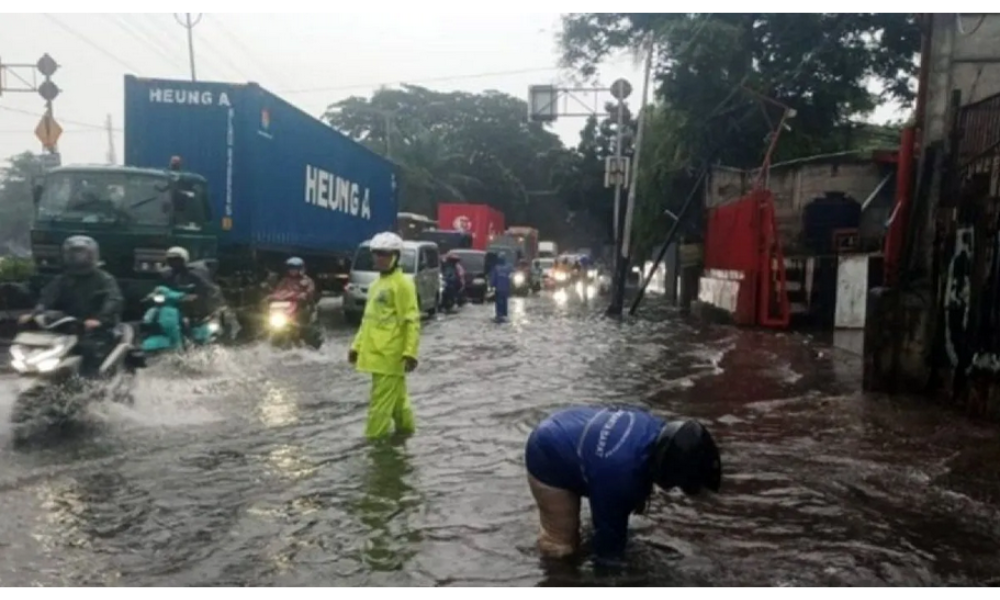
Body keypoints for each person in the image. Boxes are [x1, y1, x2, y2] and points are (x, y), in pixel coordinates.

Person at [524, 406, 721, 564]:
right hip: (547, 452)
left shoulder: (655, 427)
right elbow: (608, 542)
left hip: (570, 423)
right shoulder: (619, 476)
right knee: (561, 547)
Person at [348, 232, 420, 440]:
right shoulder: (375, 285)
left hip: (390, 356)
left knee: (379, 406)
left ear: (396, 256)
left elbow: (411, 320)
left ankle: (374, 444)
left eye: (385, 254)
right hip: (375, 354)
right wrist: (356, 346)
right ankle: (406, 434)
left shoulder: (403, 284)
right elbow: (368, 321)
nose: (379, 258)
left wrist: (410, 352)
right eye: (377, 254)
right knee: (398, 402)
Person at [19, 236, 124, 376]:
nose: (78, 257)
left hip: (98, 328)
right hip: (68, 325)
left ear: (92, 255)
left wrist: (100, 319)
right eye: (74, 253)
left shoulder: (104, 279)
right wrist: (34, 314)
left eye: (82, 253)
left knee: (88, 349)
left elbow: (114, 300)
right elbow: (47, 298)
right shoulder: (62, 279)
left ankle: (91, 382)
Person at [161, 246, 223, 322]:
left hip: (195, 307)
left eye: (176, 259)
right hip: (174, 304)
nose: (173, 262)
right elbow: (161, 287)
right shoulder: (166, 273)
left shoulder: (196, 272)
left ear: (184, 259)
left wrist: (197, 295)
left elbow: (207, 287)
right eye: (170, 259)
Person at [489, 252, 512, 322]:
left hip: (499, 289)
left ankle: (499, 315)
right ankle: (504, 315)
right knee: (504, 302)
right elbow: (511, 278)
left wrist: (491, 286)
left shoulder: (496, 268)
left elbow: (493, 279)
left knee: (499, 302)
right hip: (506, 289)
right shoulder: (508, 268)